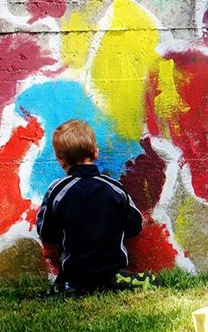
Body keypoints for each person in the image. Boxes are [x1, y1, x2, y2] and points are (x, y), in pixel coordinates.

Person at [36, 119, 155, 296]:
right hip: (112, 270)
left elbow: (46, 233)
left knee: (66, 286)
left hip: (74, 273)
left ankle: (67, 287)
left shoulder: (58, 191)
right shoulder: (114, 188)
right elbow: (135, 225)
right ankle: (122, 280)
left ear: (60, 161)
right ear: (96, 153)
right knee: (117, 277)